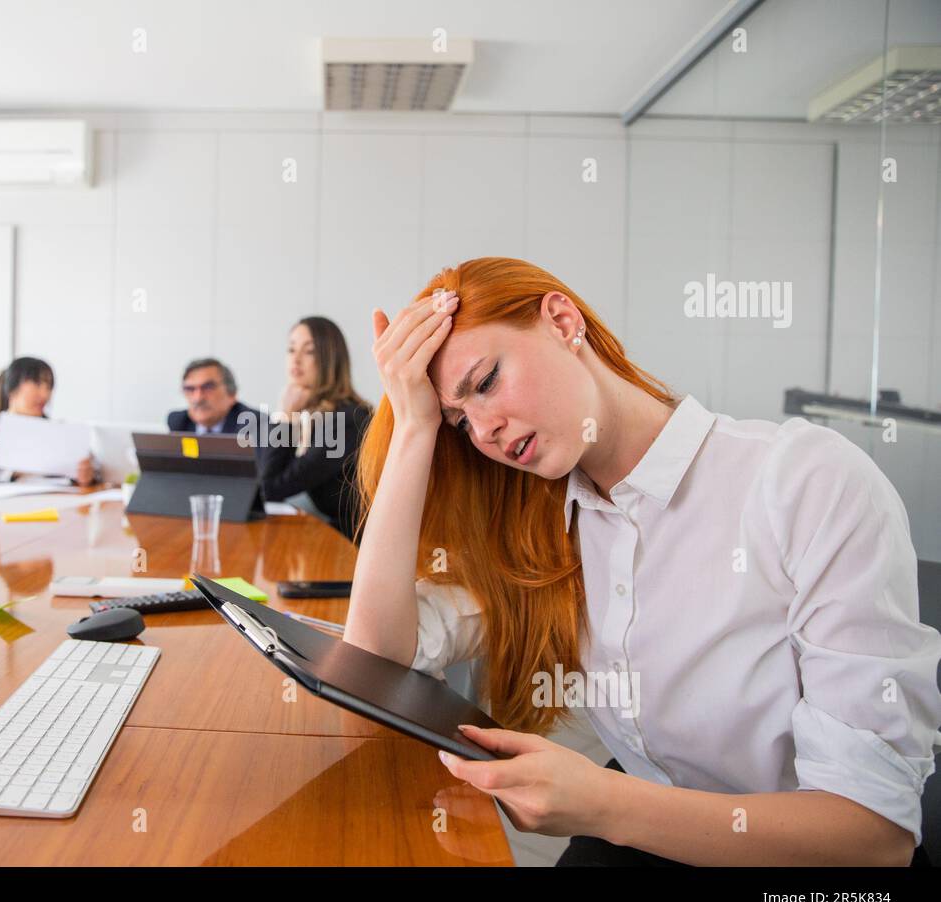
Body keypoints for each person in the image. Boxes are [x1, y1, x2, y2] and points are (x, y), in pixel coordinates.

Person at [346, 256, 941, 866]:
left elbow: (875, 840)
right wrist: (416, 427)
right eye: (459, 419)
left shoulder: (805, 481)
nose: (486, 429)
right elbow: (373, 661)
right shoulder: (543, 525)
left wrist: (604, 803)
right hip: (649, 840)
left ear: (561, 320)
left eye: (488, 380)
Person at [259, 317, 371, 538]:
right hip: (331, 533)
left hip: (354, 544)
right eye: (291, 349)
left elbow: (271, 486)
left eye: (309, 351)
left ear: (330, 360)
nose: (296, 359)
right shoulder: (316, 414)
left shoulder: (347, 419)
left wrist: (286, 416)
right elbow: (265, 475)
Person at [0, 356, 99, 486]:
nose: (45, 394)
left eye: (49, 386)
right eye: (37, 384)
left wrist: (86, 475)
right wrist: (13, 471)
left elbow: (92, 469)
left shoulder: (58, 432)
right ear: (12, 387)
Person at [166, 358, 256, 434]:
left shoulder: (254, 424)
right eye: (190, 389)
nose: (198, 398)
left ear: (232, 394)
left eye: (208, 387)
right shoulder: (179, 423)